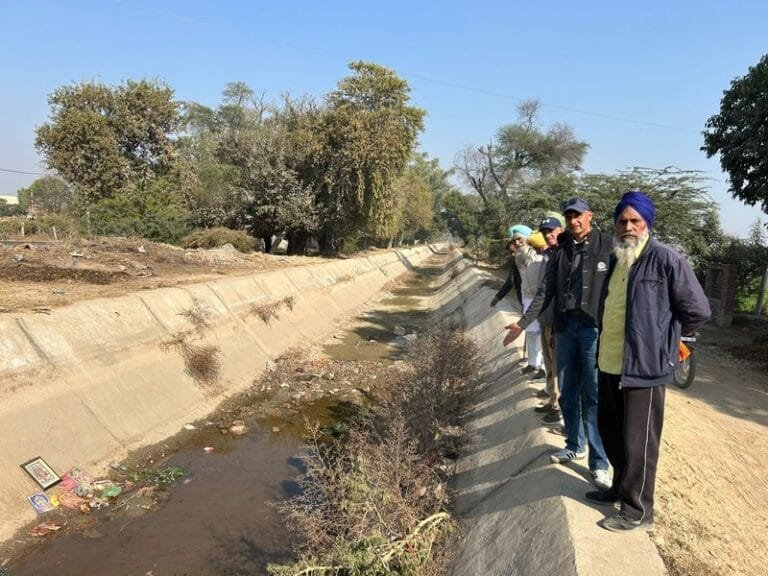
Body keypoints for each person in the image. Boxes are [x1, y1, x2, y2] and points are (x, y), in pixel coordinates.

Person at [587, 190, 710, 532]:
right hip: (611, 361)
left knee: (639, 441)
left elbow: (698, 310)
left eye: (635, 221)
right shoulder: (616, 259)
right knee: (611, 431)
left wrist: (668, 342)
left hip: (645, 368)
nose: (628, 226)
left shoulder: (666, 259)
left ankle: (638, 510)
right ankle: (617, 488)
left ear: (647, 224)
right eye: (623, 220)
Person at [503, 198, 612, 491]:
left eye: (578, 215)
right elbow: (545, 292)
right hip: (565, 329)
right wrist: (522, 324)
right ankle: (574, 444)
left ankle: (600, 463)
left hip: (592, 329)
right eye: (569, 216)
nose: (574, 220)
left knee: (593, 395)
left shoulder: (606, 245)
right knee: (567, 390)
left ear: (590, 216)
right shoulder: (560, 251)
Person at [529, 214, 565, 422]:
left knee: (558, 366)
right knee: (550, 363)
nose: (549, 235)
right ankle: (552, 400)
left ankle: (559, 408)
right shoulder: (548, 254)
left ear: (561, 230)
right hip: (545, 317)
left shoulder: (563, 254)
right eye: (545, 232)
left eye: (552, 230)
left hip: (557, 321)